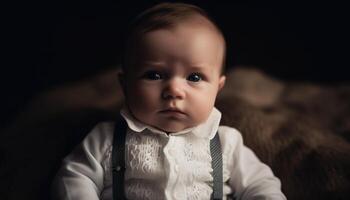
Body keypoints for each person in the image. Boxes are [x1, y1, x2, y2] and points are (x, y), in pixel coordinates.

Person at [52, 2, 286, 200]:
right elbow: (75, 176)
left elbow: (261, 185)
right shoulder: (107, 139)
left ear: (218, 88)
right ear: (125, 85)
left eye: (194, 77)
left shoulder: (227, 143)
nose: (174, 90)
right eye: (154, 75)